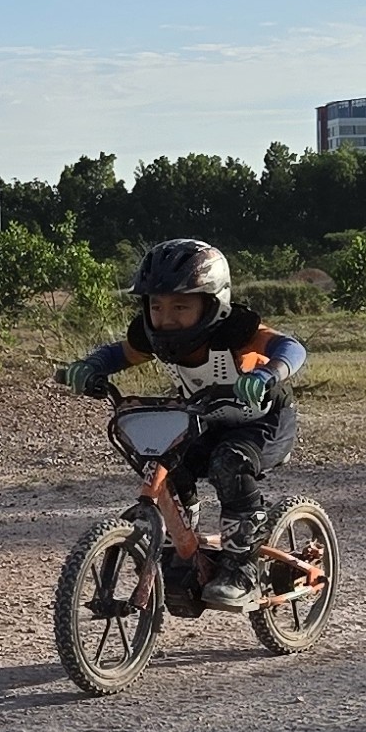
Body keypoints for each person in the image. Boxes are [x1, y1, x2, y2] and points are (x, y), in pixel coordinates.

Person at [61, 238, 306, 611]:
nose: (166, 316)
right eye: (156, 306)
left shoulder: (235, 331)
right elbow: (118, 354)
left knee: (230, 463)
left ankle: (241, 569)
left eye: (180, 305)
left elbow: (291, 348)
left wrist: (267, 375)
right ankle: (182, 549)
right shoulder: (154, 338)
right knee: (167, 464)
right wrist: (91, 366)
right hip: (207, 417)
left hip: (264, 420)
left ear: (211, 304)